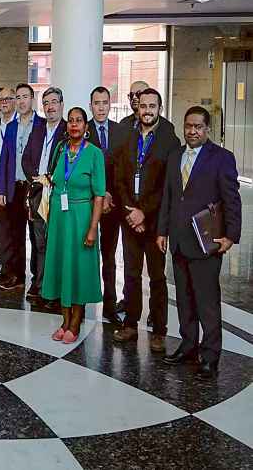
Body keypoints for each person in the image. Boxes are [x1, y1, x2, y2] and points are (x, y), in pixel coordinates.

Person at [157, 106, 242, 379]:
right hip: (180, 241)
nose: (192, 131)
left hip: (207, 242)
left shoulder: (222, 158)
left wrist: (230, 236)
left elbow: (231, 200)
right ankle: (188, 345)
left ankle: (210, 355)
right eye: (188, 126)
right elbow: (169, 198)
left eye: (198, 127)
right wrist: (162, 232)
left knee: (207, 301)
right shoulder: (175, 156)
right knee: (184, 298)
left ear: (207, 129)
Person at [112, 88, 179, 352]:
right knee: (130, 274)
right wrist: (130, 211)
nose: (147, 110)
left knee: (156, 277)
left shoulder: (169, 140)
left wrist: (144, 213)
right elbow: (119, 176)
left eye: (153, 106)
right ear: (137, 108)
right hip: (130, 217)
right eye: (144, 106)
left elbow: (167, 186)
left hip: (154, 221)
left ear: (160, 109)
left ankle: (159, 330)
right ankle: (130, 323)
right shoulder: (127, 136)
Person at [40, 107, 106, 343]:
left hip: (81, 218)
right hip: (59, 217)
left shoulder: (95, 154)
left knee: (78, 270)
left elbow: (99, 195)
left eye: (79, 121)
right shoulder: (60, 149)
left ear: (86, 127)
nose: (74, 125)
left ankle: (76, 323)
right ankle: (64, 320)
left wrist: (92, 228)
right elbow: (54, 181)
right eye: (71, 121)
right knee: (61, 268)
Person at [22, 87, 67, 306]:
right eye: (46, 103)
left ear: (61, 104)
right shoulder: (38, 130)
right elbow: (26, 158)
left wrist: (50, 178)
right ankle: (39, 285)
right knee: (39, 243)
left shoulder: (69, 131)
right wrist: (36, 178)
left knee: (55, 243)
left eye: (54, 102)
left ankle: (56, 291)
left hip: (58, 195)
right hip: (38, 193)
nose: (50, 106)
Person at [0, 83, 43, 291]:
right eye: (19, 97)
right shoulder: (11, 127)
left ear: (32, 99)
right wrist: (1, 190)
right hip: (14, 187)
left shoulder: (42, 125)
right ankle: (16, 275)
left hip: (33, 189)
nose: (22, 101)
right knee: (15, 234)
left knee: (35, 235)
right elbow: (4, 159)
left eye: (26, 97)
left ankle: (37, 279)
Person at [87, 86, 127, 325]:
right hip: (91, 203)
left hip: (113, 206)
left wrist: (111, 196)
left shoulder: (120, 131)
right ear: (90, 105)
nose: (100, 107)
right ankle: (78, 305)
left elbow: (125, 168)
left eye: (104, 102)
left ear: (110, 104)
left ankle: (110, 307)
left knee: (109, 257)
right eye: (96, 103)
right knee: (85, 254)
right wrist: (100, 194)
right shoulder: (84, 129)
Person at [0, 87, 16, 268]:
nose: (4, 102)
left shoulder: (18, 123)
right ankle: (4, 260)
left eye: (8, 99)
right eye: (1, 99)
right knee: (0, 224)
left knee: (12, 223)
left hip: (12, 177)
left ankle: (13, 264)